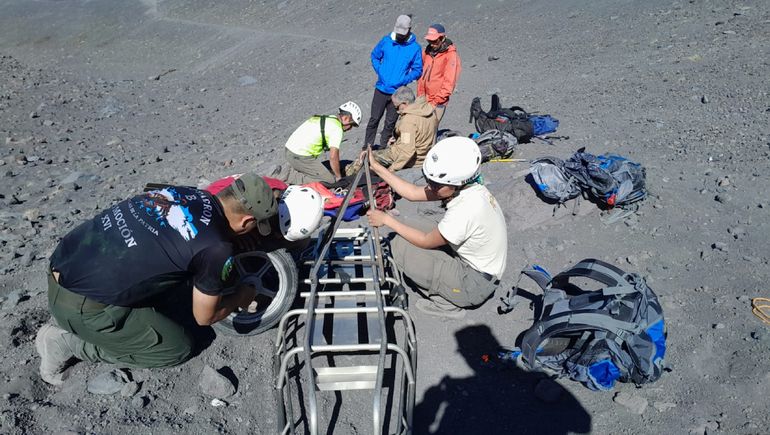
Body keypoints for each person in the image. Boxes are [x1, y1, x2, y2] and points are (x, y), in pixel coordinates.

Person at [34, 173, 320, 385]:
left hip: (66, 261)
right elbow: (204, 317)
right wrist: (241, 297)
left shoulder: (186, 193)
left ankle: (85, 321)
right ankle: (66, 343)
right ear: (247, 222)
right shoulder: (215, 247)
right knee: (175, 348)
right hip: (80, 303)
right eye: (257, 225)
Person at [365, 137, 507, 318]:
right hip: (477, 263)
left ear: (455, 182)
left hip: (474, 283)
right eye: (429, 180)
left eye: (436, 184)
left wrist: (386, 220)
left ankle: (448, 303)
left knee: (400, 246)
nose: (431, 187)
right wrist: (377, 167)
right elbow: (412, 193)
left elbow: (425, 241)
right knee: (406, 227)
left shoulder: (467, 208)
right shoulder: (467, 187)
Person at [346, 86, 437, 175]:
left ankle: (348, 174)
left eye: (397, 107)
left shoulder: (408, 121)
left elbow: (407, 152)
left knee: (366, 157)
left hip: (410, 159)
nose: (397, 111)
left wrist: (392, 169)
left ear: (405, 103)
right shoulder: (429, 112)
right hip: (423, 156)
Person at [365, 14, 423, 149]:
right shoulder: (386, 41)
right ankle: (366, 148)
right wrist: (381, 71)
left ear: (409, 30)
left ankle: (383, 149)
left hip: (397, 94)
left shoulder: (415, 48)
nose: (400, 35)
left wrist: (404, 80)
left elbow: (417, 69)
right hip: (381, 88)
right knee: (374, 120)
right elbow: (375, 56)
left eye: (403, 33)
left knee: (390, 123)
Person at [282, 101, 361, 184]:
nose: (351, 128)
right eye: (352, 125)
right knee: (328, 181)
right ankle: (289, 176)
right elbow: (333, 157)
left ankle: (298, 170)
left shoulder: (329, 118)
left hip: (289, 149)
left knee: (324, 170)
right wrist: (338, 177)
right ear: (346, 119)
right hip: (299, 155)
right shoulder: (336, 129)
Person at [416, 23, 462, 125]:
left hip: (437, 102)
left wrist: (435, 102)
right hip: (422, 99)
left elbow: (449, 83)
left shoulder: (450, 55)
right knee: (419, 128)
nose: (432, 44)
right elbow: (420, 72)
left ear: (442, 38)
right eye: (429, 41)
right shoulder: (427, 52)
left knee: (430, 130)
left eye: (435, 41)